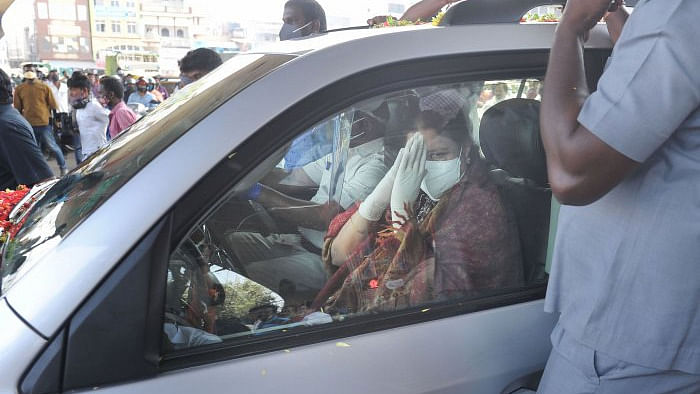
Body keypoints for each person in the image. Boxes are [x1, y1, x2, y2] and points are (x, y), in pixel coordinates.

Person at [538, 0, 700, 392]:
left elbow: (571, 172)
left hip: (627, 335)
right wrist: (614, 15)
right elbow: (662, 81)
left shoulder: (679, 10)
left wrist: (572, 25)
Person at [313, 91, 523, 314]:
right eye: (416, 155)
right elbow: (339, 254)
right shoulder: (414, 191)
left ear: (467, 151)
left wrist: (401, 217)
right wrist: (378, 199)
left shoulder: (479, 208)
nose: (425, 166)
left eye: (439, 154)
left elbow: (421, 294)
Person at [0, 69, 53, 189]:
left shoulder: (7, 127)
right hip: (33, 120)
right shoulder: (21, 89)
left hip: (42, 121)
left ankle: (62, 165)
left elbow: (42, 182)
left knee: (52, 145)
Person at [13, 70, 67, 175]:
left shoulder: (22, 88)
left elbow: (18, 107)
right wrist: (55, 119)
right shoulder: (42, 87)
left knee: (38, 148)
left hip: (35, 122)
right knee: (49, 146)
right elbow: (53, 105)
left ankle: (60, 168)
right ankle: (61, 168)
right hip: (39, 122)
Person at [67, 72, 109, 163]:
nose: (71, 93)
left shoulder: (94, 106)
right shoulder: (78, 107)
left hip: (97, 153)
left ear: (84, 90)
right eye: (70, 90)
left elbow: (108, 120)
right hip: (86, 152)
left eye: (74, 90)